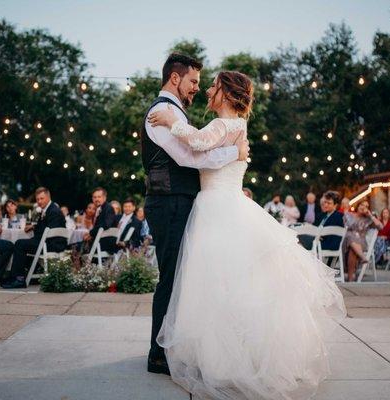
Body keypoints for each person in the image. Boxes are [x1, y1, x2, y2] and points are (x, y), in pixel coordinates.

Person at [147, 68, 344, 399]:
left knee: (217, 285)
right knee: (229, 284)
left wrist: (170, 120)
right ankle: (232, 356)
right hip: (226, 205)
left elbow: (196, 145)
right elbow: (204, 154)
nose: (208, 90)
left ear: (225, 92)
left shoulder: (223, 125)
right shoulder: (236, 128)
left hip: (217, 210)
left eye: (213, 86)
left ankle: (225, 360)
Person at [141, 54, 250, 377]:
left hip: (186, 201)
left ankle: (177, 348)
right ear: (175, 79)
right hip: (170, 201)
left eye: (204, 85)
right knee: (172, 279)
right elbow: (190, 156)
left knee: (185, 280)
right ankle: (158, 354)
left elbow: (197, 148)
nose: (197, 90)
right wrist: (235, 153)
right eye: (193, 82)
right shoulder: (162, 113)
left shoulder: (177, 114)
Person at [2, 187, 66, 289]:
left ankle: (19, 279)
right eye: (37, 199)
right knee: (22, 244)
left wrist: (36, 230)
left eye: (42, 198)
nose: (39, 201)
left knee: (19, 244)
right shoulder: (49, 209)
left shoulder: (53, 211)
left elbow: (49, 231)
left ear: (48, 197)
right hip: (48, 242)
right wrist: (34, 226)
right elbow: (45, 227)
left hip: (52, 245)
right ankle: (18, 276)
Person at [343, 200, 383, 281]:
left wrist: (371, 216)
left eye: (366, 206)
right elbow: (350, 225)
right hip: (348, 242)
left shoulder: (368, 220)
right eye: (362, 205)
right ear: (358, 206)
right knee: (351, 237)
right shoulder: (349, 215)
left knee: (352, 248)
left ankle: (350, 278)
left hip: (361, 243)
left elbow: (381, 227)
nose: (363, 207)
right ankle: (363, 257)